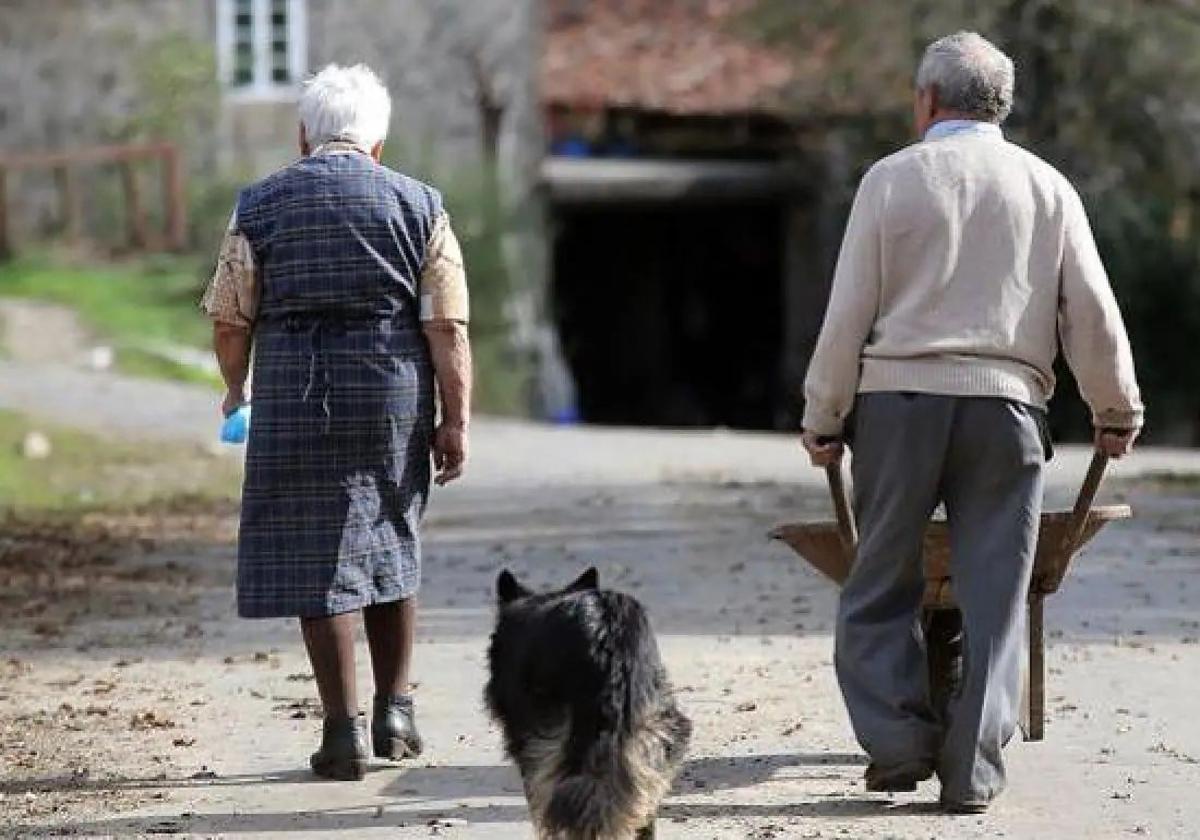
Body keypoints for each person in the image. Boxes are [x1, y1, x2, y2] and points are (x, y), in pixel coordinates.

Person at [800, 32, 1142, 812]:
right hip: (1008, 411)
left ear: (926, 101)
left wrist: (825, 415)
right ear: (1002, 105)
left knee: (878, 583)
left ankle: (897, 743)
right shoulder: (1046, 186)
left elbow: (847, 312)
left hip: (896, 409)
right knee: (996, 597)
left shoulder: (890, 181)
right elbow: (1090, 311)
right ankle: (973, 773)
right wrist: (1115, 409)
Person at [201, 63, 472, 781]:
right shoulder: (421, 206)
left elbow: (231, 318)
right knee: (391, 535)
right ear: (377, 144)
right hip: (394, 393)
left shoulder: (258, 205)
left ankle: (342, 730)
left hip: (295, 389)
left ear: (302, 136)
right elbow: (447, 326)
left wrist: (237, 388)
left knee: (312, 551)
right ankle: (397, 710)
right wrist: (455, 420)